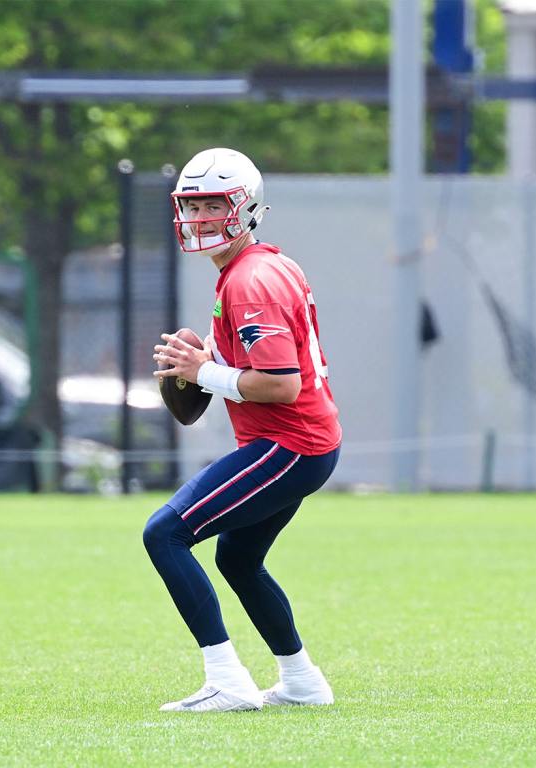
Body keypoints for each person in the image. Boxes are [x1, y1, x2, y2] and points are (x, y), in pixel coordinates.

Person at [146, 148, 342, 712]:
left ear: (248, 208)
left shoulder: (248, 281)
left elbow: (280, 382)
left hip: (288, 442)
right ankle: (302, 682)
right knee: (236, 558)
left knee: (164, 533)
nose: (202, 218)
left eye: (215, 205)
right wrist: (209, 354)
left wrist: (201, 371)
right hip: (302, 442)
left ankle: (227, 681)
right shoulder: (261, 266)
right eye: (193, 205)